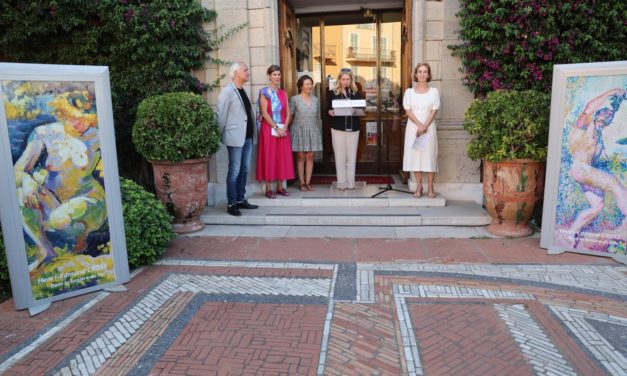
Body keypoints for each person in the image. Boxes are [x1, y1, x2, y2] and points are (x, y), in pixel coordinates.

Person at [14, 90, 107, 271]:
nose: (78, 122)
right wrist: (27, 181)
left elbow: (107, 172)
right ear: (62, 113)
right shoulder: (44, 133)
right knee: (21, 195)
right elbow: (17, 171)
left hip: (89, 200)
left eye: (84, 117)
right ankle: (46, 251)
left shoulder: (98, 136)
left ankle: (82, 239)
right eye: (71, 116)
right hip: (53, 200)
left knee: (58, 219)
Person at [567, 88, 627, 246]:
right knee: (616, 186)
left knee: (597, 206)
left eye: (610, 115)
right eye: (604, 112)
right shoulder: (585, 125)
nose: (608, 114)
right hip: (581, 169)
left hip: (584, 172)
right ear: (598, 114)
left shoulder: (599, 134)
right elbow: (588, 109)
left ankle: (571, 233)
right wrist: (611, 92)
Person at [216, 61, 259, 216]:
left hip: (247, 138)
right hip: (235, 138)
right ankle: (231, 203)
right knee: (234, 170)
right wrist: (217, 136)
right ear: (235, 74)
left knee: (245, 169)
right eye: (245, 70)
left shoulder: (243, 91)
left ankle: (240, 199)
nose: (248, 72)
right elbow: (221, 115)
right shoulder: (227, 91)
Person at [402, 63, 441, 198]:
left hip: (429, 128)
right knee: (415, 157)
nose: (422, 74)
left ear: (428, 75)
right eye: (420, 72)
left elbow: (434, 110)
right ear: (416, 74)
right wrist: (419, 125)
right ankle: (419, 186)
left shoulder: (434, 92)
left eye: (425, 72)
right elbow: (407, 110)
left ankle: (430, 187)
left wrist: (425, 126)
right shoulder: (409, 92)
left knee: (429, 157)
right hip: (413, 128)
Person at [256, 65, 295, 198]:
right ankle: (268, 187)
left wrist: (284, 127)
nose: (277, 77)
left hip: (283, 129)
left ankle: (280, 187)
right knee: (269, 156)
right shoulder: (264, 92)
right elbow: (264, 113)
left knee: (281, 157)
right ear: (269, 76)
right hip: (269, 129)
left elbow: (288, 113)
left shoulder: (283, 93)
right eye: (274, 74)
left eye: (279, 74)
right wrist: (276, 127)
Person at [327, 68, 363, 190]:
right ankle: (341, 183)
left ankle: (351, 182)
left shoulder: (356, 92)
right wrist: (330, 111)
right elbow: (328, 109)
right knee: (340, 156)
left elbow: (361, 109)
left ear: (351, 80)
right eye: (343, 79)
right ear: (339, 80)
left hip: (353, 128)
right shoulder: (332, 93)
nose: (345, 81)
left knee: (351, 156)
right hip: (338, 128)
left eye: (348, 79)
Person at [288, 75, 322, 191]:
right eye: (307, 84)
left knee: (310, 156)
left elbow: (316, 117)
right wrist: (287, 129)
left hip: (312, 129)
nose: (310, 86)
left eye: (311, 84)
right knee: (301, 157)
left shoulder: (316, 99)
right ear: (301, 86)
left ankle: (308, 182)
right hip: (299, 130)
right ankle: (301, 183)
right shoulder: (294, 99)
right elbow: (291, 115)